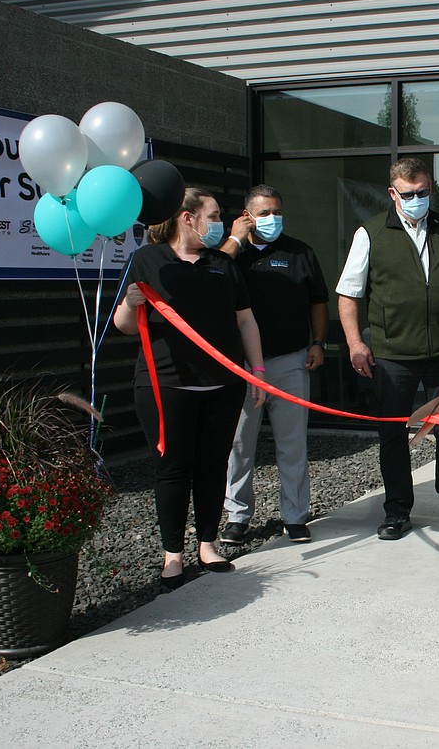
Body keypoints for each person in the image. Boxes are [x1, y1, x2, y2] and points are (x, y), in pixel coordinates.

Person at [114, 188, 266, 589]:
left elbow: (246, 320)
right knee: (173, 468)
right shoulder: (146, 260)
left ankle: (207, 543)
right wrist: (131, 303)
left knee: (214, 464)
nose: (219, 223)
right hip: (166, 384)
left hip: (222, 383)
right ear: (187, 218)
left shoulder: (222, 263)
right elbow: (124, 325)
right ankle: (172, 554)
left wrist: (258, 371)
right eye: (213, 216)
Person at [336, 157, 439, 541]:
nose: (418, 199)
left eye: (424, 192)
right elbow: (348, 294)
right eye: (409, 194)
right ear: (393, 194)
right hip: (392, 355)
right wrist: (355, 343)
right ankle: (397, 511)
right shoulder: (371, 233)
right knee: (393, 435)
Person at [217, 184, 330, 545]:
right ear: (247, 216)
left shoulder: (299, 252)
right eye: (264, 213)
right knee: (239, 445)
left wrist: (317, 342)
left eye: (277, 211)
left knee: (292, 443)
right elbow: (212, 277)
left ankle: (295, 516)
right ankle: (238, 516)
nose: (273, 219)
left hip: (291, 361)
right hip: (243, 367)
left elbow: (318, 301)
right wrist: (235, 241)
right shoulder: (232, 255)